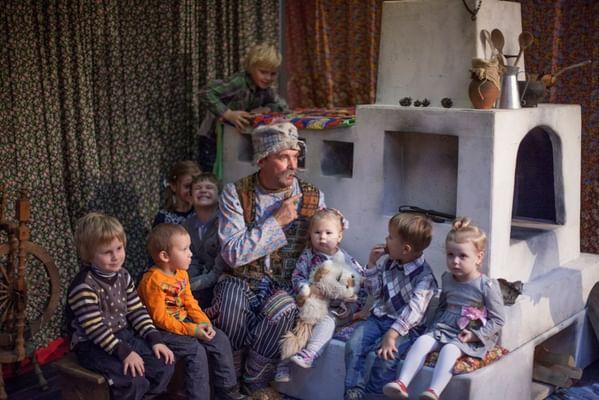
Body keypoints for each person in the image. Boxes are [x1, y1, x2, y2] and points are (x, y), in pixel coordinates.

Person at [213, 121, 325, 394]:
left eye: (295, 156)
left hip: (286, 284)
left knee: (284, 310)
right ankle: (229, 384)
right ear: (262, 160)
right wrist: (276, 222)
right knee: (229, 306)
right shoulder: (236, 193)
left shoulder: (312, 197)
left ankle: (255, 384)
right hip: (241, 279)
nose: (292, 165)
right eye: (283, 157)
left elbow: (322, 249)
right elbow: (233, 253)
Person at [383, 217, 505, 400]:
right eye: (450, 255)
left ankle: (434, 391)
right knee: (422, 341)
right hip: (444, 326)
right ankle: (402, 383)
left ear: (479, 257)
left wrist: (476, 335)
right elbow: (442, 306)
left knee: (450, 350)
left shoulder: (486, 285)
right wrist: (432, 328)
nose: (455, 261)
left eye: (462, 256)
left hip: (469, 332)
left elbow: (498, 319)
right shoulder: (447, 279)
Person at [66, 212, 175, 400]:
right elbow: (95, 329)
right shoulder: (84, 286)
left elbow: (136, 310)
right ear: (89, 255)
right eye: (107, 252)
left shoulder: (123, 276)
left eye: (119, 248)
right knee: (133, 379)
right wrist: (125, 353)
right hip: (92, 345)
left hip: (123, 335)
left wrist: (155, 338)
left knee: (164, 365)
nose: (116, 256)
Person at [138, 223, 246, 400]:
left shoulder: (181, 273)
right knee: (196, 351)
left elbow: (189, 302)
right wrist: (192, 330)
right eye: (184, 249)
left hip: (183, 322)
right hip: (161, 330)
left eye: (189, 248)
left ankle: (228, 393)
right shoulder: (152, 281)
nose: (190, 254)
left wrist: (204, 322)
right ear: (165, 256)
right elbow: (160, 319)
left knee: (219, 339)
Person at [344, 213, 438, 400]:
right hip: (379, 318)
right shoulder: (389, 263)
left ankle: (374, 397)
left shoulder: (425, 277)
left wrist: (392, 334)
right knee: (354, 344)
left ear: (405, 249)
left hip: (406, 329)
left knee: (386, 358)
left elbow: (414, 312)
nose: (386, 240)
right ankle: (354, 391)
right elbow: (375, 292)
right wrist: (372, 265)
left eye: (390, 237)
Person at [275, 208, 364, 382]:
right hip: (309, 303)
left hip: (333, 308)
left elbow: (355, 282)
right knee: (294, 325)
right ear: (310, 234)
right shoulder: (308, 256)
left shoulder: (345, 259)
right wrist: (306, 288)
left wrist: (349, 298)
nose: (322, 237)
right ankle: (283, 364)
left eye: (328, 233)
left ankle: (311, 353)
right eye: (317, 233)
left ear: (339, 236)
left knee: (327, 322)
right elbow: (297, 276)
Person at [198, 43, 289, 171]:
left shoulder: (265, 89)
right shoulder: (239, 82)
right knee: (210, 175)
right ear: (251, 68)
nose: (268, 78)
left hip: (234, 137)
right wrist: (229, 114)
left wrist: (267, 109)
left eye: (273, 74)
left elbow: (283, 106)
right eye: (263, 72)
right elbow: (205, 92)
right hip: (212, 137)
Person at [182, 172, 225, 308]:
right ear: (190, 197)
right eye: (198, 188)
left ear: (219, 196)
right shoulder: (187, 225)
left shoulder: (224, 223)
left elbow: (220, 269)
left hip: (220, 281)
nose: (203, 190)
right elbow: (191, 260)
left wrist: (190, 285)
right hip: (196, 282)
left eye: (209, 187)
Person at [152, 160, 201, 227]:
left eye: (196, 187)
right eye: (187, 186)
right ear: (174, 186)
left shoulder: (201, 214)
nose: (191, 190)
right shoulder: (163, 218)